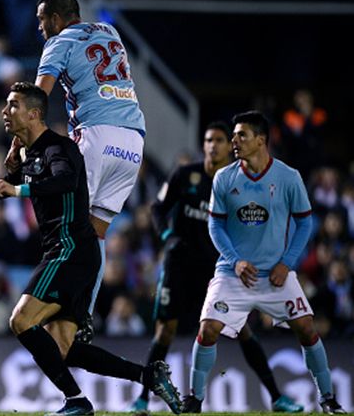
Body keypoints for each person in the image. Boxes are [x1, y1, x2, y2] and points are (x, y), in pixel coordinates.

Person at [0, 82, 181, 416]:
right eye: (6, 105)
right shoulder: (29, 153)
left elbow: (63, 181)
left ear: (34, 113)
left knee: (20, 320)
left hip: (70, 249)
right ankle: (147, 375)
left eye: (13, 105)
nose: (5, 112)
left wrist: (19, 189)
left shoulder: (59, 149)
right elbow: (0, 188)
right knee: (64, 349)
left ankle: (76, 401)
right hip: (74, 255)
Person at [129, 122, 303, 412]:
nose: (213, 145)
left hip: (216, 269)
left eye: (220, 140)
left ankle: (277, 397)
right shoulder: (185, 175)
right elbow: (158, 208)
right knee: (165, 332)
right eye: (209, 140)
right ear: (204, 145)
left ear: (229, 147)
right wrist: (167, 237)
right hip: (180, 266)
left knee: (243, 330)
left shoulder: (235, 183)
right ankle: (142, 399)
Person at [182, 111, 345, 414]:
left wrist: (287, 262)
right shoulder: (224, 177)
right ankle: (195, 398)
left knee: (307, 328)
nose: (234, 140)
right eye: (233, 135)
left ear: (261, 140)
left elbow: (305, 223)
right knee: (207, 330)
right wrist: (236, 261)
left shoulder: (288, 177)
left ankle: (327, 398)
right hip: (233, 273)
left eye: (241, 135)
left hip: (275, 275)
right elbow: (215, 225)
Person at [6, 0, 147, 343]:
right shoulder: (109, 32)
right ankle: (85, 313)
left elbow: (35, 102)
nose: (40, 28)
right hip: (133, 141)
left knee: (69, 224)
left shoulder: (58, 43)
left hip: (96, 135)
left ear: (57, 18)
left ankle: (62, 305)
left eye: (42, 20)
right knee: (96, 232)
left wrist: (16, 144)